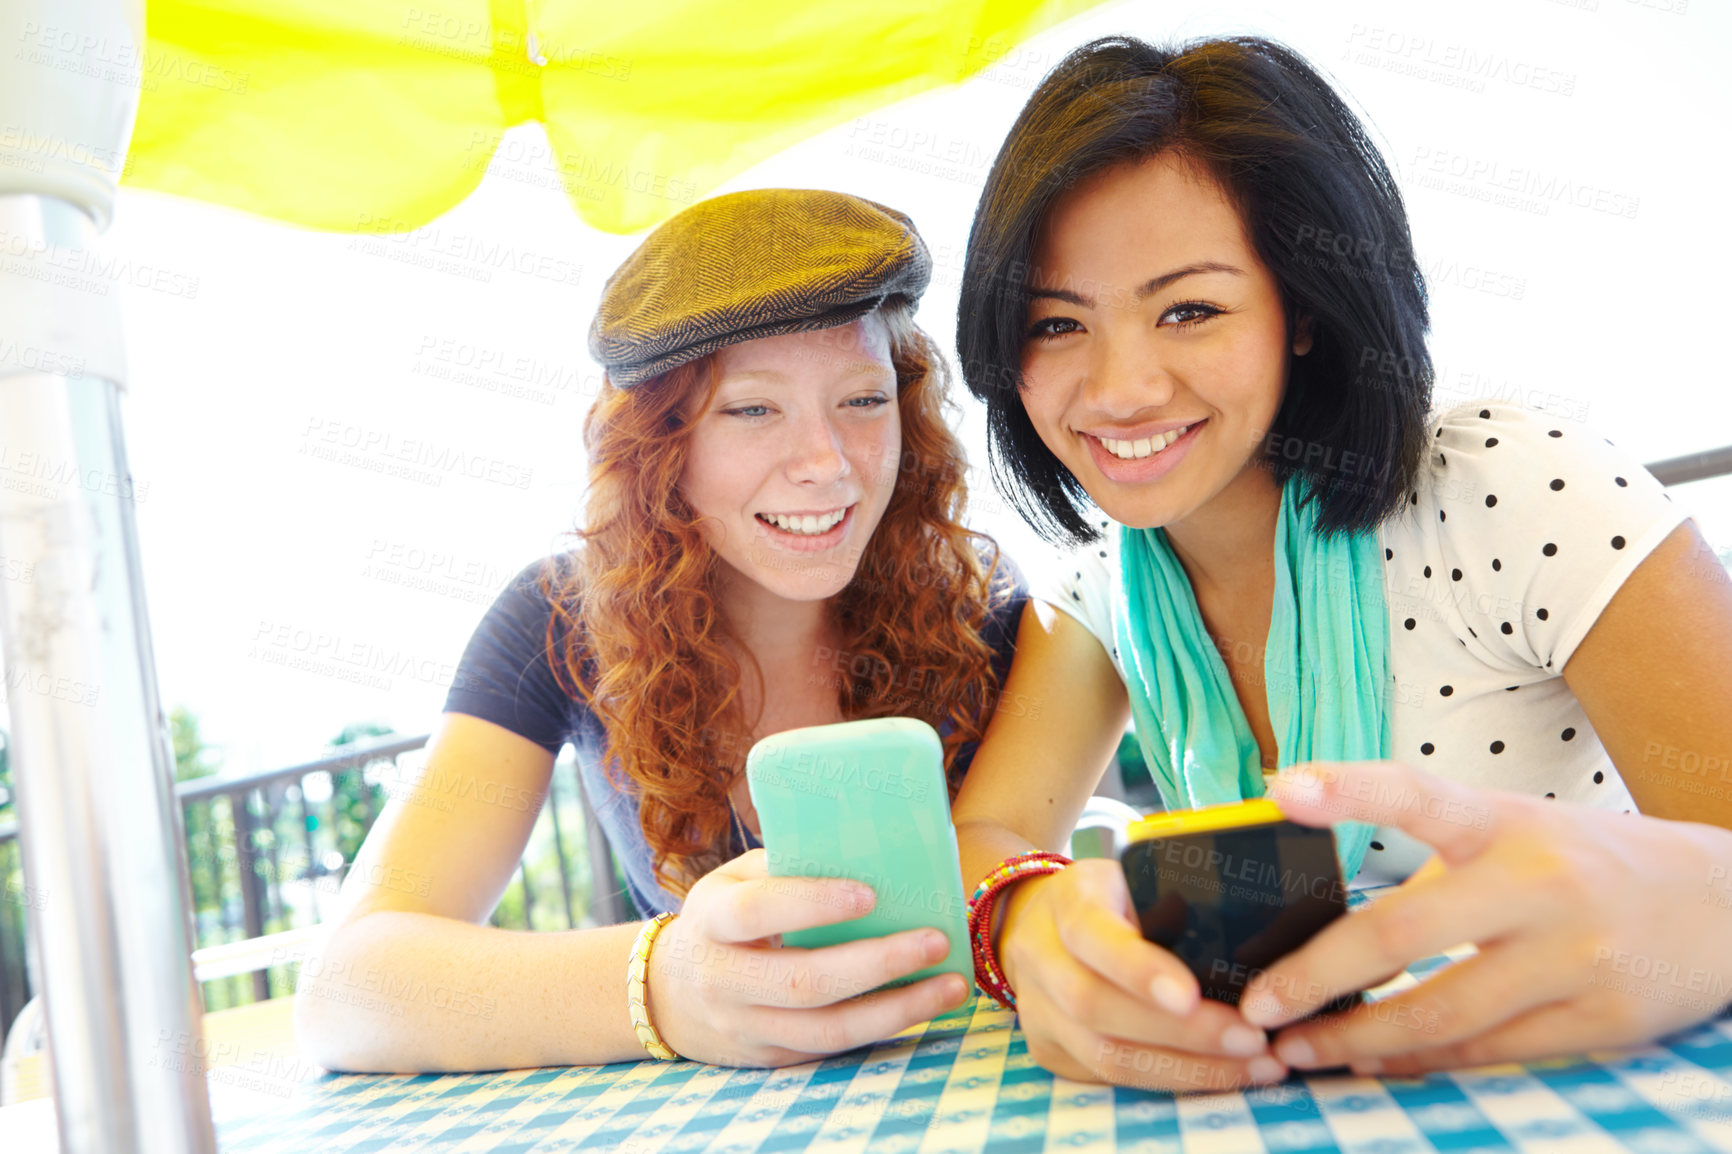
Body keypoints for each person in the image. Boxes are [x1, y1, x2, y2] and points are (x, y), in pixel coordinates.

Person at [946, 35, 1732, 1091]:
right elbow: (991, 830)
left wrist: (1701, 921)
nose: (1117, 388)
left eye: (1189, 308)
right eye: (1055, 322)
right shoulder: (1105, 590)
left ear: (1304, 310)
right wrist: (1030, 915)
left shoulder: (1514, 485)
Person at [293, 189, 1029, 1072]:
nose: (828, 463)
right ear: (657, 447)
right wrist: (662, 986)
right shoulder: (557, 619)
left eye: (865, 401)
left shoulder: (981, 604)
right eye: (753, 410)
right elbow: (345, 993)